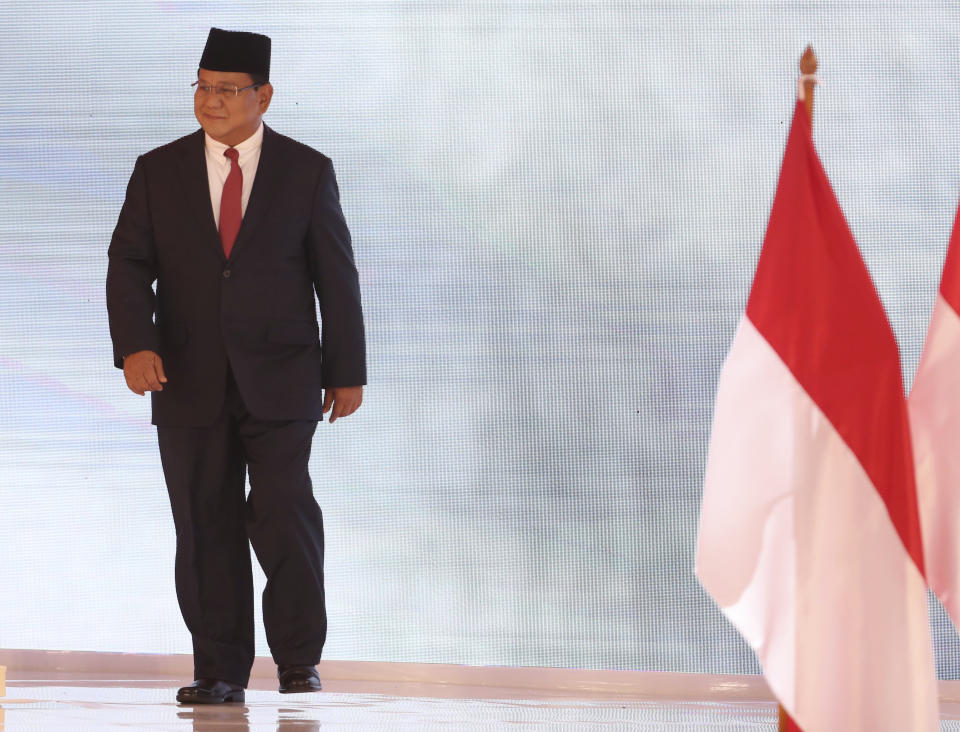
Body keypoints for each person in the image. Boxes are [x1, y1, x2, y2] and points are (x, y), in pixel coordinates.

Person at [106, 27, 366, 704]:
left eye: (226, 90)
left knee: (282, 512)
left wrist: (347, 369)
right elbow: (128, 263)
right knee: (203, 521)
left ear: (264, 96)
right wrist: (136, 344)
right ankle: (219, 671)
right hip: (186, 378)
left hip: (282, 378)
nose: (210, 100)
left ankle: (297, 658)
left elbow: (335, 276)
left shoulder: (306, 170)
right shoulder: (157, 170)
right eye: (202, 86)